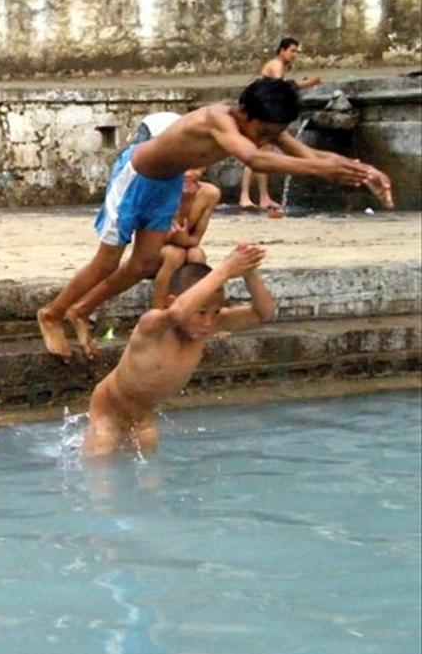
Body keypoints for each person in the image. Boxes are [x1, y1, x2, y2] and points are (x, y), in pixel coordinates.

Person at [37, 77, 392, 363]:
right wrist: (322, 170)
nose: (267, 140)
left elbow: (309, 154)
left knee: (143, 263)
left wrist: (363, 170)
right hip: (136, 177)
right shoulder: (218, 119)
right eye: (263, 133)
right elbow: (255, 159)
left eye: (273, 134)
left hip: (167, 183)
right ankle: (52, 314)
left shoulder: (259, 122)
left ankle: (81, 310)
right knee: (107, 262)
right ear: (243, 112)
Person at [84, 241, 276, 458]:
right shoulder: (153, 325)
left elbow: (264, 314)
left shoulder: (211, 324)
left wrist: (249, 273)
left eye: (215, 312)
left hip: (143, 417)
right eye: (201, 313)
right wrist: (225, 270)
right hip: (109, 409)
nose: (208, 322)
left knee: (148, 471)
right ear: (170, 301)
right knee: (102, 460)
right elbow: (177, 313)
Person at [240, 37, 322, 210]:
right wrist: (306, 84)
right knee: (254, 154)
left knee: (265, 154)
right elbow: (279, 90)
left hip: (267, 111)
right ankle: (244, 196)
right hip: (263, 112)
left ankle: (264, 197)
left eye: (297, 52)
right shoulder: (276, 65)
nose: (294, 55)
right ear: (282, 50)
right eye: (292, 51)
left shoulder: (279, 66)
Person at [151, 166, 221, 309]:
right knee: (175, 255)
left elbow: (196, 239)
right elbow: (151, 236)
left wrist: (183, 239)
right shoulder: (161, 188)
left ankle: (198, 309)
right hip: (154, 249)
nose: (189, 174)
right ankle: (157, 311)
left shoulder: (210, 193)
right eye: (186, 167)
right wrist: (183, 203)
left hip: (185, 244)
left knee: (197, 255)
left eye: (195, 168)